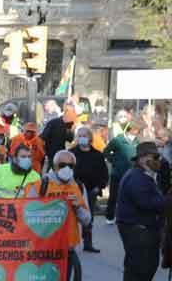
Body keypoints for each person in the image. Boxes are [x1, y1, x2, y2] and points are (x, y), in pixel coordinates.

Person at [26, 150, 90, 281]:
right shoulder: (41, 184)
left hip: (67, 248)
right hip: (44, 247)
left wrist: (77, 206)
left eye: (70, 166)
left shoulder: (78, 187)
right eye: (62, 165)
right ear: (54, 166)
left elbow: (87, 220)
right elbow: (27, 213)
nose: (67, 169)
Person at [116, 142, 169, 281]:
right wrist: (168, 200)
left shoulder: (147, 175)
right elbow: (146, 203)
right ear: (143, 158)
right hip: (136, 227)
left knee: (149, 265)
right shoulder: (136, 177)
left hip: (147, 227)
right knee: (137, 266)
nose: (158, 160)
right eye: (155, 157)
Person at [71, 125, 108, 253]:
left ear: (90, 138)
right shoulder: (72, 153)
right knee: (71, 216)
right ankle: (69, 242)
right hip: (74, 189)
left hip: (91, 190)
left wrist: (99, 187)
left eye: (84, 136)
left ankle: (88, 242)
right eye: (79, 136)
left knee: (88, 216)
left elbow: (104, 173)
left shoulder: (97, 155)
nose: (82, 138)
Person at [103, 123, 137, 224]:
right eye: (135, 131)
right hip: (117, 174)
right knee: (113, 196)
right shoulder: (117, 140)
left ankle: (127, 217)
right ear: (129, 130)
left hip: (131, 174)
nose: (136, 133)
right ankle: (109, 217)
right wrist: (115, 161)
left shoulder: (137, 141)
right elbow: (106, 151)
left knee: (130, 197)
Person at [40, 100, 74, 171]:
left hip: (59, 154)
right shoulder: (53, 123)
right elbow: (43, 137)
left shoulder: (68, 125)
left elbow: (70, 139)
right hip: (52, 154)